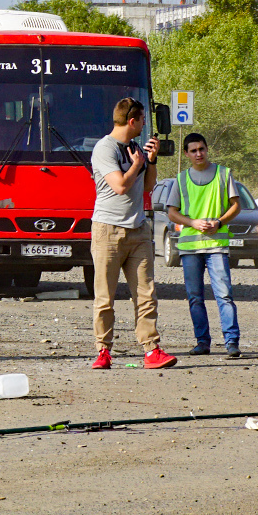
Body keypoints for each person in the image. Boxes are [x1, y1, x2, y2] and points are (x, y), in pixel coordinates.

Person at [88, 98, 177, 370]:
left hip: (138, 230)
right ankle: (103, 351)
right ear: (132, 121)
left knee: (146, 293)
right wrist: (137, 165)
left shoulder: (135, 149)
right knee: (105, 296)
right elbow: (120, 187)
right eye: (141, 121)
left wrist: (150, 160)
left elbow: (148, 186)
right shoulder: (104, 149)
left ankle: (151, 350)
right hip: (108, 231)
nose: (143, 126)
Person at [164, 133, 242, 357]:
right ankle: (202, 342)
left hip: (216, 246)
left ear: (207, 150)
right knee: (195, 297)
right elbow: (172, 212)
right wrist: (192, 222)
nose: (199, 153)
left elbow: (236, 206)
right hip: (190, 248)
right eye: (193, 150)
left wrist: (219, 222)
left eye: (202, 149)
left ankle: (231, 342)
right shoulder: (180, 179)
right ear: (187, 154)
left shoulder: (224, 174)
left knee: (224, 295)